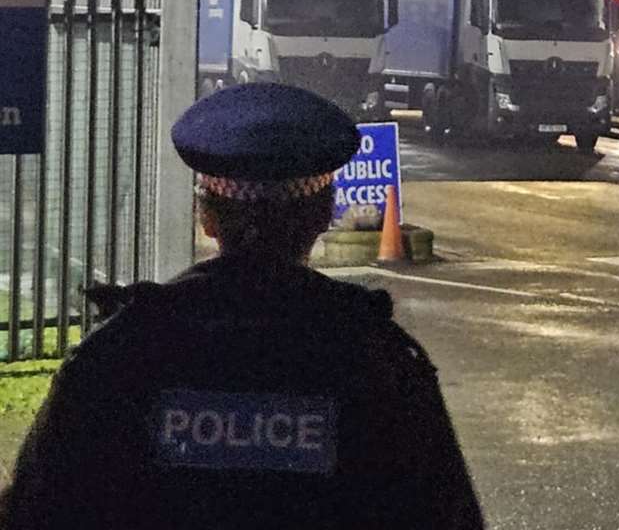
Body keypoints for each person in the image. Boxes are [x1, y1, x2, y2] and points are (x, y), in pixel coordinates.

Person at [0, 83, 485, 530]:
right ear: (323, 214)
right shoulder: (380, 360)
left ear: (207, 217)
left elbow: (38, 508)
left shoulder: (120, 352)